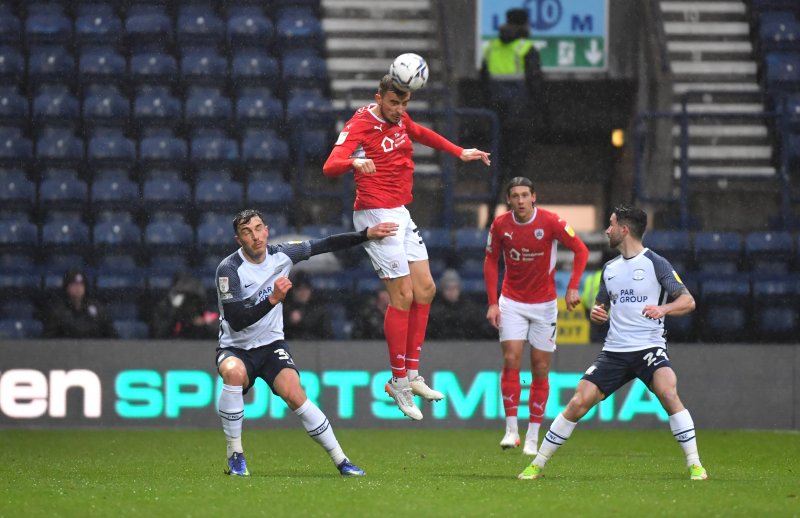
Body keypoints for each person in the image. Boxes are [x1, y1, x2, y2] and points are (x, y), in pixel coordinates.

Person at [322, 74, 491, 421]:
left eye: (405, 104)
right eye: (394, 103)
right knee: (403, 296)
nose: (400, 110)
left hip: (399, 210)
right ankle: (397, 381)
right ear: (379, 97)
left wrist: (459, 151)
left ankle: (412, 375)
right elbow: (329, 166)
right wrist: (354, 161)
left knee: (426, 289)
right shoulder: (360, 123)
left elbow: (419, 133)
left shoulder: (400, 118)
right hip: (372, 212)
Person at [518, 204, 708, 481]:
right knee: (578, 402)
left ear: (624, 229)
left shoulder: (656, 263)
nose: (607, 230)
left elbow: (688, 300)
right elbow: (601, 308)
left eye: (611, 224)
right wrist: (598, 314)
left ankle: (695, 464)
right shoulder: (609, 269)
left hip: (649, 348)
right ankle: (538, 462)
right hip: (615, 352)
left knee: (668, 394)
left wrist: (663, 309)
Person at [214, 208, 398, 477]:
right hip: (235, 347)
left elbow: (325, 244)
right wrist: (273, 299)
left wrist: (364, 235)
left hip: (270, 345)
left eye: (258, 228)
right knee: (233, 373)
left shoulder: (283, 254)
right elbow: (237, 319)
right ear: (238, 240)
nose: (255, 236)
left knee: (295, 394)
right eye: (246, 232)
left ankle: (341, 460)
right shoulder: (229, 269)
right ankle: (236, 455)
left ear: (266, 230)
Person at [484, 177, 588, 455]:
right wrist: (493, 303)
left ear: (534, 197)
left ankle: (532, 436)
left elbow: (581, 249)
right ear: (508, 199)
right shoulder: (500, 225)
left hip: (544, 305)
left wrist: (573, 286)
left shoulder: (551, 222)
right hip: (512, 302)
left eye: (524, 195)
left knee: (540, 368)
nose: (520, 200)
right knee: (510, 358)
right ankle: (511, 430)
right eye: (515, 196)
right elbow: (491, 261)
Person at [480, 8, 547, 210]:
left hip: (495, 120)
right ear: (524, 25)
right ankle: (514, 214)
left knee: (495, 168)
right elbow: (536, 85)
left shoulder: (491, 47)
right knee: (518, 169)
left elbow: (482, 82)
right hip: (519, 118)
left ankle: (491, 214)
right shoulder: (526, 48)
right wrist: (544, 115)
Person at [43, 268, 118, 339]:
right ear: (66, 287)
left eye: (81, 284)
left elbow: (112, 336)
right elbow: (48, 341)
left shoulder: (98, 309)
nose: (78, 287)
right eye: (74, 284)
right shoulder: (57, 311)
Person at [428, 269, 493, 340]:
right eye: (447, 288)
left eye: (454, 288)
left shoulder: (470, 309)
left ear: (459, 288)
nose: (451, 291)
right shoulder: (434, 311)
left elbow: (481, 332)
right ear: (442, 289)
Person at [151, 272, 218, 339]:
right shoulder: (165, 306)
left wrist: (203, 322)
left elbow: (217, 330)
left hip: (200, 342)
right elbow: (160, 333)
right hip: (173, 343)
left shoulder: (201, 305)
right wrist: (175, 311)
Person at [282, 271, 332, 340]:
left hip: (315, 348)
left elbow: (327, 336)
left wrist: (303, 320)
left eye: (306, 289)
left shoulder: (319, 309)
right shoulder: (283, 308)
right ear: (293, 291)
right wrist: (289, 321)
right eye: (299, 289)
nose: (303, 293)